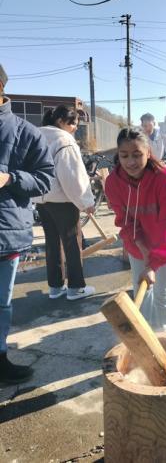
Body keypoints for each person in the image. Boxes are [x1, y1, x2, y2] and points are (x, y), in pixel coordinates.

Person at [0, 64, 54, 384]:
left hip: (6, 234)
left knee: (1, 304)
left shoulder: (26, 132)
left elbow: (46, 179)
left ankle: (1, 360)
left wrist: (9, 178)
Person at [105, 128, 166, 331]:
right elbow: (125, 221)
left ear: (148, 152)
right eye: (124, 155)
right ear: (118, 156)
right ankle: (146, 337)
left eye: (137, 155)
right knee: (141, 291)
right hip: (137, 246)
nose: (131, 162)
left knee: (162, 295)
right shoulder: (113, 182)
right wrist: (144, 252)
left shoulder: (165, 180)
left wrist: (154, 262)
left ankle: (163, 339)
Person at [34, 106, 96, 300]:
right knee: (72, 243)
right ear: (61, 121)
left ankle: (55, 287)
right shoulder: (64, 140)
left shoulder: (35, 136)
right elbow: (72, 176)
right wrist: (86, 201)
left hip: (42, 200)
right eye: (73, 123)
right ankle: (75, 287)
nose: (75, 127)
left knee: (52, 243)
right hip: (63, 200)